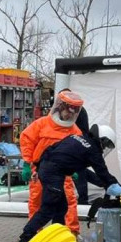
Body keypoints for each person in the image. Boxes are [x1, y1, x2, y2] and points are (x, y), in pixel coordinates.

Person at [15, 125, 119, 242]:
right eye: (105, 144)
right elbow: (102, 172)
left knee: (62, 207)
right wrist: (115, 186)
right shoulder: (92, 149)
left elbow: (51, 148)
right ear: (101, 139)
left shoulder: (76, 138)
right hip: (54, 173)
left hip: (47, 168)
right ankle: (25, 239)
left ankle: (55, 239)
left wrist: (38, 166)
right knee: (48, 209)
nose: (104, 148)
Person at [19, 90, 84, 234]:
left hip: (62, 173)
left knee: (69, 201)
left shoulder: (75, 131)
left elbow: (77, 152)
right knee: (37, 201)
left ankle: (70, 233)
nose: (69, 116)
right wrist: (27, 163)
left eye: (72, 113)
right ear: (60, 108)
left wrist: (74, 168)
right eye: (67, 112)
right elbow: (27, 140)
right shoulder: (42, 124)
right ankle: (34, 234)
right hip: (39, 170)